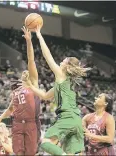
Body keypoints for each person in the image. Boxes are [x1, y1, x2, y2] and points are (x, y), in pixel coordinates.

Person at [25, 25, 91, 155]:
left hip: (66, 117)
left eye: (64, 61)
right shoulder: (64, 84)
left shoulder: (62, 75)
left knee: (45, 142)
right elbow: (44, 95)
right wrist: (30, 86)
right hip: (76, 120)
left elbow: (48, 56)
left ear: (67, 66)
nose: (61, 61)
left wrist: (38, 35)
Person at [0, 26, 41, 156]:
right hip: (18, 123)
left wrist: (29, 41)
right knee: (17, 153)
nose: (25, 72)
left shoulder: (33, 84)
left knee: (30, 153)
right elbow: (10, 109)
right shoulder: (16, 90)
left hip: (32, 122)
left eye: (28, 72)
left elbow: (31, 60)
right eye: (23, 72)